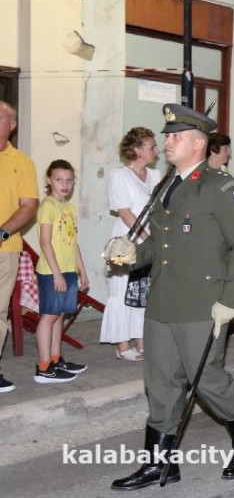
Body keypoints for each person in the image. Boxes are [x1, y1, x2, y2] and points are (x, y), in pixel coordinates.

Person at [105, 103, 234, 490]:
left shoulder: (221, 187)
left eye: (176, 136)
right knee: (160, 383)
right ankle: (159, 464)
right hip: (163, 301)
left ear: (198, 144)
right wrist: (129, 256)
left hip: (202, 303)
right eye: (167, 136)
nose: (167, 141)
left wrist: (231, 300)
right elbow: (159, 245)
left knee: (206, 379)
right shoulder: (165, 186)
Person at [100, 127, 163, 361]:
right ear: (137, 150)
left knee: (143, 289)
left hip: (150, 236)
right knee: (121, 288)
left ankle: (141, 340)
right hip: (127, 238)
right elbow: (125, 212)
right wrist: (147, 238)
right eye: (152, 147)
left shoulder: (156, 175)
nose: (157, 151)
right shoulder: (120, 175)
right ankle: (123, 345)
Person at [33, 160, 89, 383]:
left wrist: (81, 270)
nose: (65, 184)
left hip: (68, 270)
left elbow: (73, 243)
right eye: (59, 180)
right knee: (49, 316)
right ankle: (43, 367)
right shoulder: (48, 206)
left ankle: (56, 359)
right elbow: (45, 242)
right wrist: (56, 273)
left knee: (60, 315)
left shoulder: (69, 208)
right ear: (49, 180)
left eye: (69, 180)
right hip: (51, 272)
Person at [0, 100, 39, 394]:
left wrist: (2, 233)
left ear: (12, 125)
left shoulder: (22, 162)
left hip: (5, 247)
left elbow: (29, 207)